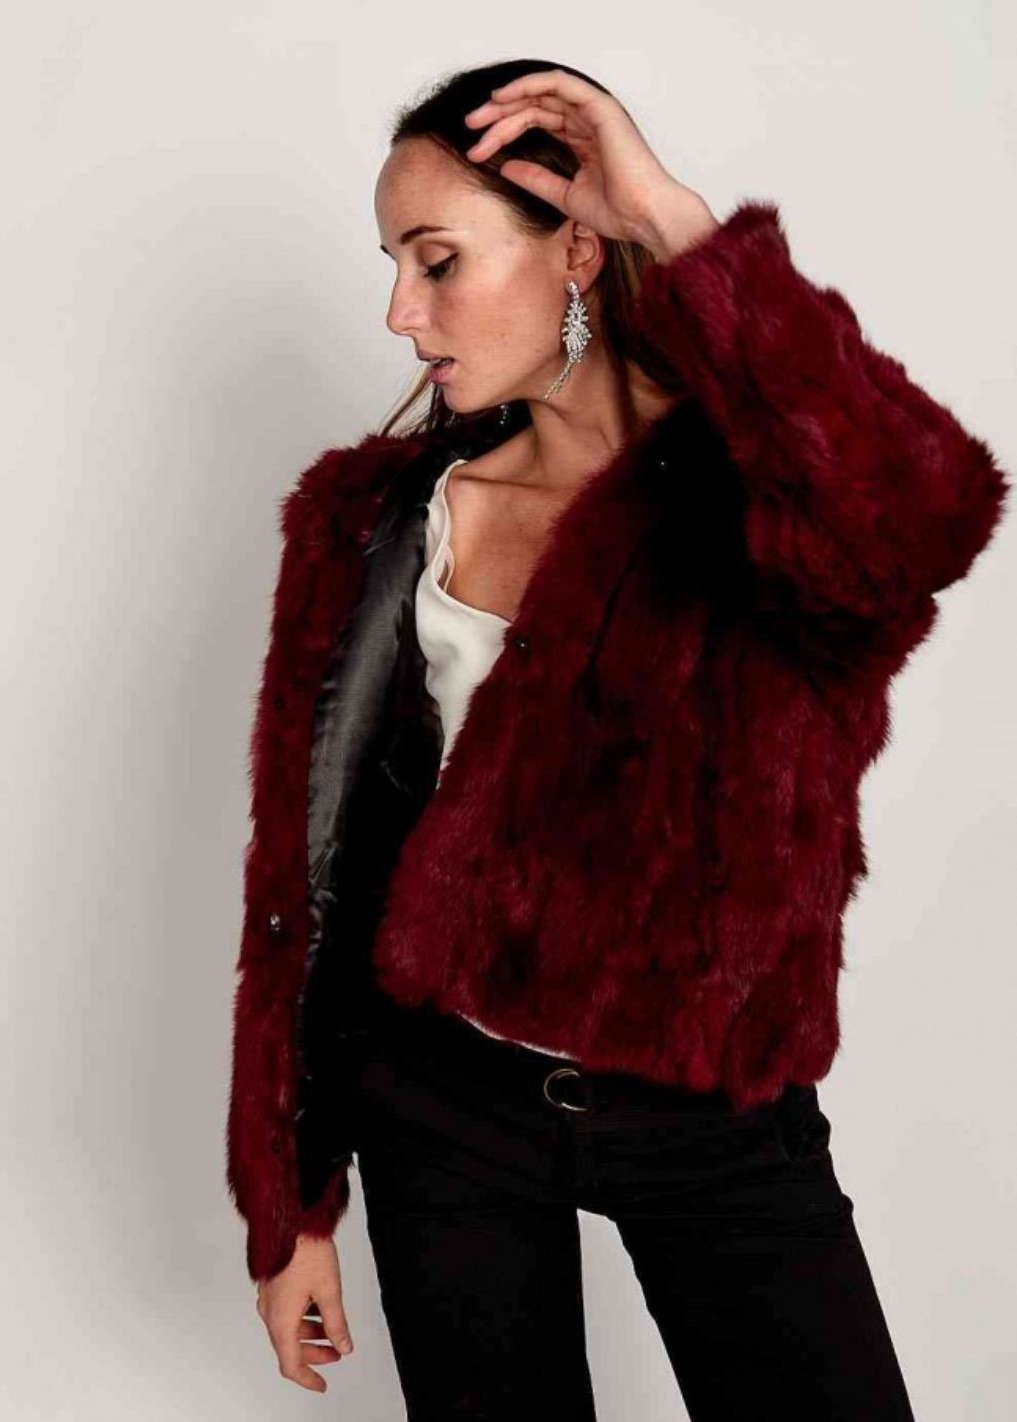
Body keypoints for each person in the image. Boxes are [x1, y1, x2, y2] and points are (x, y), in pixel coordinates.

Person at [226, 59, 1009, 1419]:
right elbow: (312, 873)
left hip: (717, 1119)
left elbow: (925, 518)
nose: (401, 312)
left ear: (577, 251)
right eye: (393, 267)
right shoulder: (381, 518)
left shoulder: (761, 501)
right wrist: (290, 1196)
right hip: (441, 1114)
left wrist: (674, 220)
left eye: (437, 261)